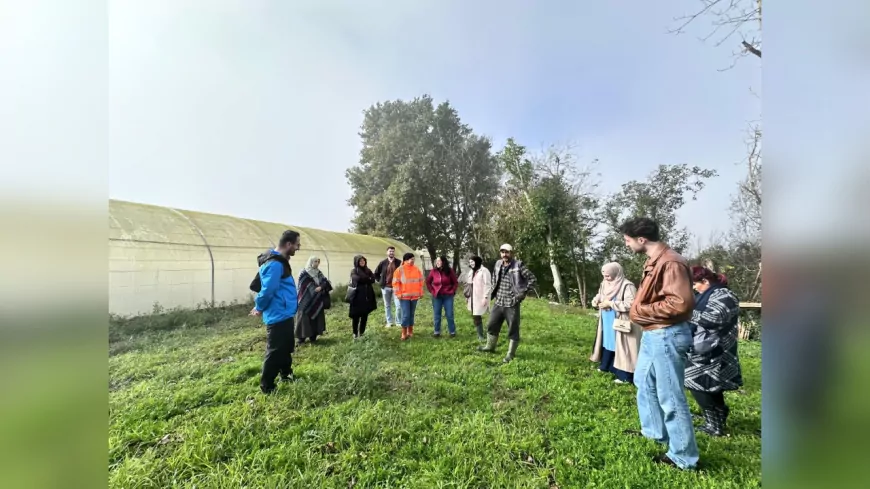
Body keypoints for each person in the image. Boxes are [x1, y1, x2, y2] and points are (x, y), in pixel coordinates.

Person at [620, 217, 699, 470]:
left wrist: (641, 311)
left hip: (668, 334)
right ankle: (654, 431)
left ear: (641, 239)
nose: (626, 244)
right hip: (654, 333)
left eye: (627, 239)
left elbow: (680, 303)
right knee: (642, 380)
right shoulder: (655, 261)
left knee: (671, 397)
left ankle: (683, 456)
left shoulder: (671, 262)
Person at [685, 266, 744, 437]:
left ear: (705, 281)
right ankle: (717, 418)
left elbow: (714, 318)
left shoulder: (725, 295)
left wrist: (686, 313)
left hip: (715, 351)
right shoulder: (708, 294)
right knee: (710, 386)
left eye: (695, 284)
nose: (694, 288)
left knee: (698, 385)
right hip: (706, 349)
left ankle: (714, 425)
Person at [250, 230, 301, 395]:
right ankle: (267, 386)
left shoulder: (279, 261)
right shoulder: (275, 264)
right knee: (275, 350)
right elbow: (268, 289)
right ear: (288, 244)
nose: (298, 248)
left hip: (284, 312)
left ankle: (286, 374)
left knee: (285, 346)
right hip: (278, 314)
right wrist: (259, 306)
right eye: (297, 245)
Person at [478, 244, 536, 363]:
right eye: (502, 252)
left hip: (512, 303)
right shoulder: (498, 263)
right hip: (499, 301)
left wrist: (523, 292)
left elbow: (532, 279)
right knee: (491, 324)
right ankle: (490, 346)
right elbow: (494, 278)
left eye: (507, 252)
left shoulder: (518, 265)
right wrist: (492, 293)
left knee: (513, 329)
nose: (505, 254)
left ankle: (510, 354)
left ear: (511, 253)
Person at [590, 262, 641, 384]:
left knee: (622, 345)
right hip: (607, 319)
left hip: (621, 321)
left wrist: (611, 304)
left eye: (608, 275)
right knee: (608, 342)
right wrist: (596, 300)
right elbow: (601, 294)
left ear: (616, 273)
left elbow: (631, 304)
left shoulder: (627, 286)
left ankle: (624, 376)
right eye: (604, 275)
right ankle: (606, 366)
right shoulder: (604, 283)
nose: (606, 278)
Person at [295, 256, 330, 346]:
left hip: (317, 299)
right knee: (303, 318)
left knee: (316, 317)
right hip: (305, 299)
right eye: (315, 261)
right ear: (311, 262)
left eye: (318, 261)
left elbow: (325, 282)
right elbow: (304, 284)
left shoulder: (318, 272)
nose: (317, 263)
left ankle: (313, 337)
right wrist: (314, 288)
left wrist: (321, 287)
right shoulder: (304, 273)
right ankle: (301, 338)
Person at [392, 252, 424, 341]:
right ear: (406, 260)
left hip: (414, 297)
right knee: (406, 315)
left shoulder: (416, 269)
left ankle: (410, 331)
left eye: (414, 259)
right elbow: (395, 283)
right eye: (411, 259)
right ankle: (404, 332)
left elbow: (421, 282)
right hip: (404, 297)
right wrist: (398, 294)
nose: (413, 261)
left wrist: (421, 292)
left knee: (411, 314)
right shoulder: (399, 270)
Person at [426, 256, 459, 338]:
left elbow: (455, 282)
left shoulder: (449, 271)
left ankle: (452, 332)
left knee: (449, 314)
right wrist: (432, 291)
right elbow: (428, 282)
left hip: (448, 296)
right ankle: (436, 332)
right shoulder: (433, 271)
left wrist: (452, 291)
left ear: (443, 262)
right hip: (437, 296)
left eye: (439, 261)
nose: (437, 262)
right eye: (436, 261)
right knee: (437, 314)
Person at [348, 255, 378, 340]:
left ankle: (361, 332)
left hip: (367, 297)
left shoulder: (367, 270)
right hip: (357, 297)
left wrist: (366, 279)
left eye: (363, 261)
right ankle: (354, 333)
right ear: (357, 262)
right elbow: (356, 279)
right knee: (356, 316)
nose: (362, 262)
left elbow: (373, 279)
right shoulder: (354, 271)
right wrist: (367, 278)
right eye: (360, 261)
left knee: (365, 315)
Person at [463, 255, 491, 341]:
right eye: (470, 262)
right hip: (473, 297)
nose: (471, 263)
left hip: (481, 296)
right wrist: (467, 296)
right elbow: (469, 285)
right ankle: (480, 335)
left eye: (473, 261)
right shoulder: (471, 271)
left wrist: (485, 297)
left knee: (484, 314)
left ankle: (488, 333)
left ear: (477, 261)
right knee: (475, 315)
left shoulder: (484, 271)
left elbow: (488, 284)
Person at [374, 246, 403, 328]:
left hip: (396, 287)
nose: (391, 253)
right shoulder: (382, 263)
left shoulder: (399, 262)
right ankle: (389, 322)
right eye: (390, 251)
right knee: (387, 305)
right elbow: (376, 273)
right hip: (385, 287)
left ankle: (398, 322)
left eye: (393, 251)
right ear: (387, 252)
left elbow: (402, 274)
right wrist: (380, 281)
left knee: (399, 306)